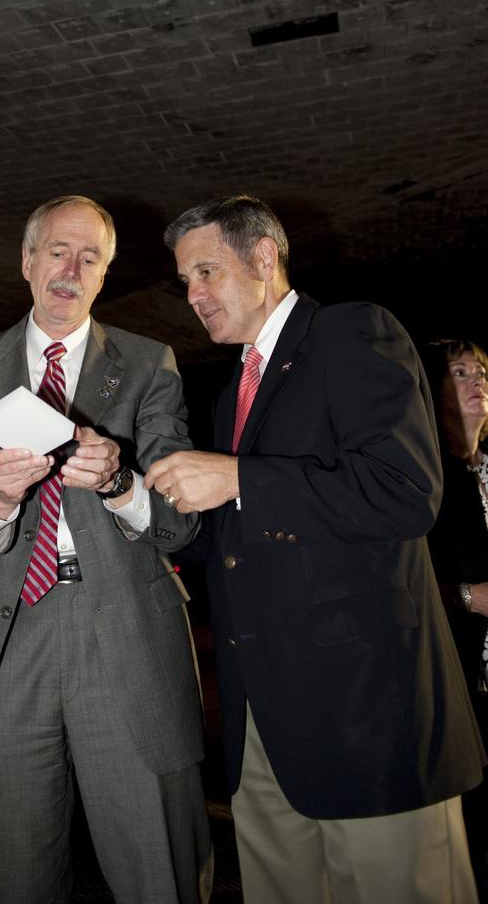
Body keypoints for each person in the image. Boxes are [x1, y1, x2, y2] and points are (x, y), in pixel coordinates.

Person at [146, 193, 484, 904]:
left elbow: (403, 492)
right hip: (264, 722)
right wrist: (123, 491)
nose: (193, 295)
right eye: (185, 281)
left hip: (368, 716)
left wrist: (239, 475)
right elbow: (240, 542)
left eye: (205, 272)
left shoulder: (353, 332)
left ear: (263, 257)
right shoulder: (231, 391)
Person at [0, 194, 212, 904]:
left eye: (91, 257)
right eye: (57, 250)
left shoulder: (149, 365)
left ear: (104, 276)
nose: (71, 268)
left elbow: (181, 526)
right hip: (6, 636)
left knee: (158, 871)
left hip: (123, 630)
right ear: (26, 262)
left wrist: (119, 482)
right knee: (16, 876)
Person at [424, 338, 488, 898]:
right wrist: (468, 597)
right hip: (456, 677)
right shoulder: (429, 478)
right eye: (460, 372)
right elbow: (405, 583)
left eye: (482, 373)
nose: (477, 382)